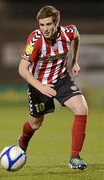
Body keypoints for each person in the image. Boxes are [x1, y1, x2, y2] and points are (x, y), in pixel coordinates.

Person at [18, 5, 88, 170]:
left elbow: (76, 35)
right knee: (35, 124)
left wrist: (74, 60)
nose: (45, 29)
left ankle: (75, 157)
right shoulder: (35, 40)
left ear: (56, 23)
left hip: (61, 79)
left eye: (49, 24)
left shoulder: (68, 33)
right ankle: (22, 144)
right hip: (38, 83)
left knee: (81, 108)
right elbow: (22, 68)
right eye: (42, 25)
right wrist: (40, 87)